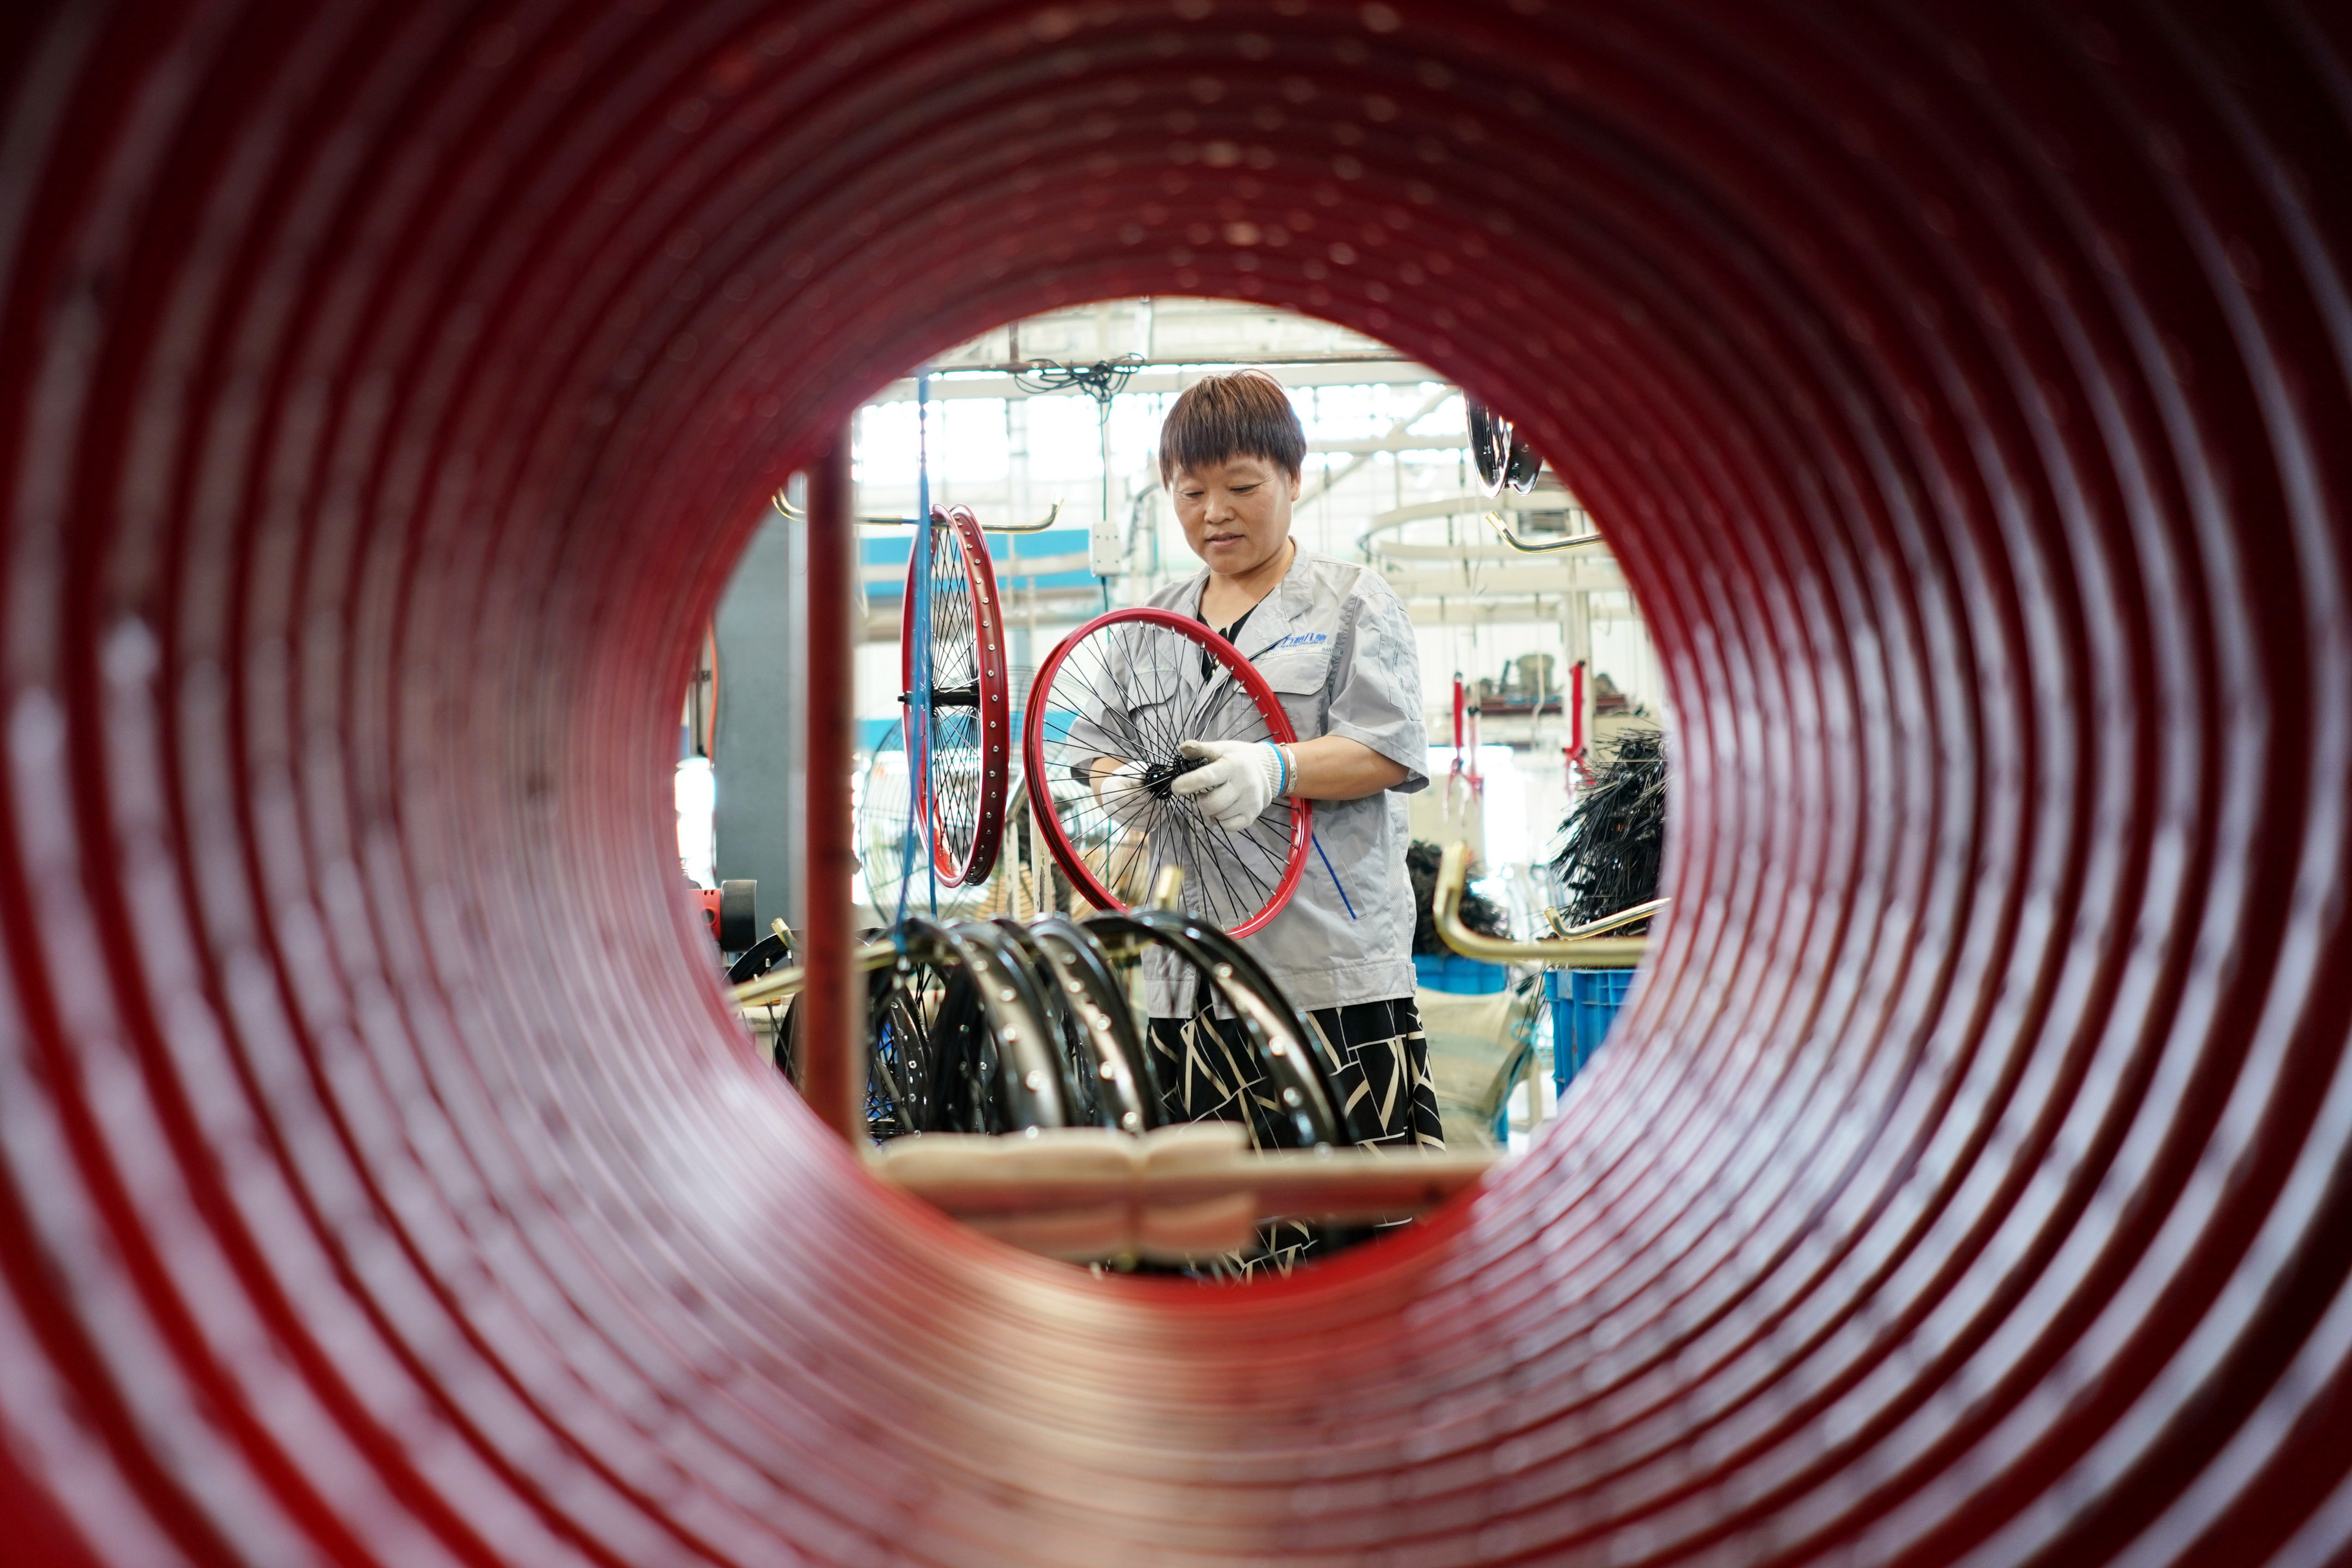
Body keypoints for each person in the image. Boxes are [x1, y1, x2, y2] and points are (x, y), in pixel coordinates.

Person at [1105, 370, 1443, 1239]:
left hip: (1328, 979)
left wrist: (1275, 768)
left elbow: (1388, 748)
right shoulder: (1148, 625)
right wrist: (1113, 784)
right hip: (1187, 985)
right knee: (1212, 1248)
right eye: (1191, 493)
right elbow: (1092, 750)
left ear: (1294, 480)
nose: (1215, 512)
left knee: (1351, 1246)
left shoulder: (1352, 602)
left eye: (1242, 487)